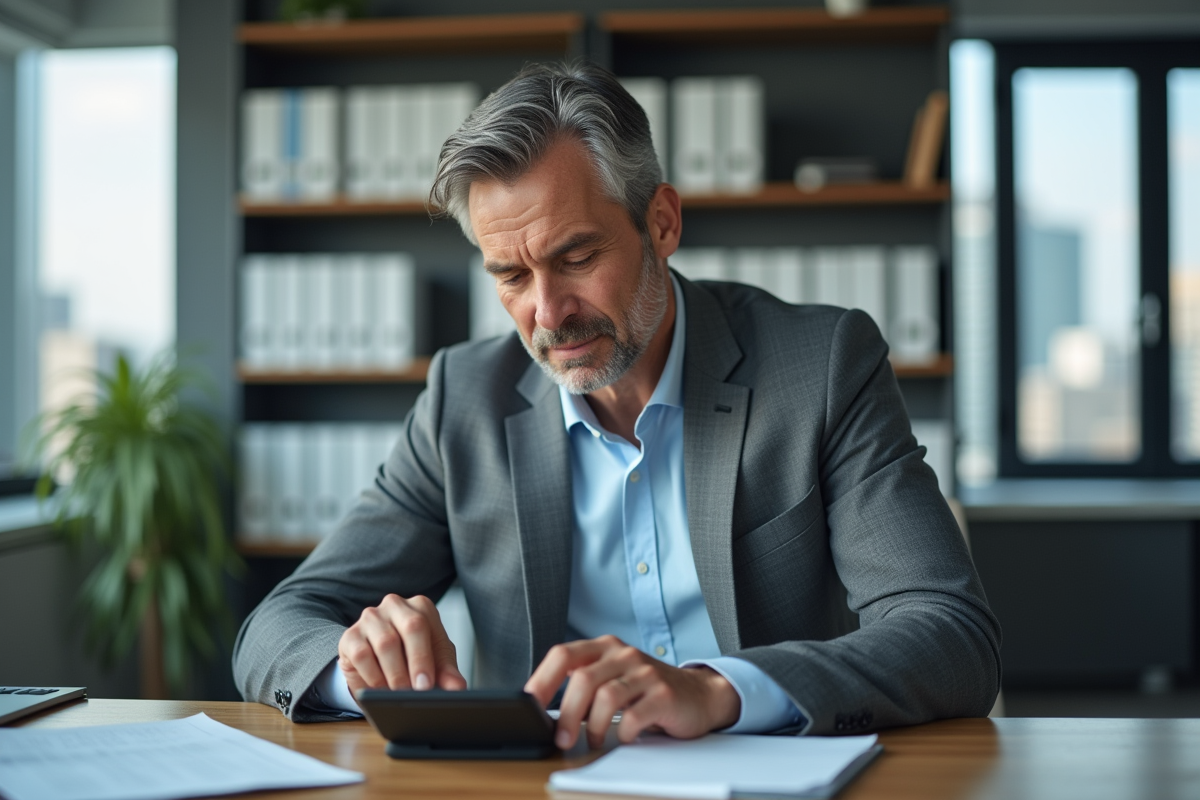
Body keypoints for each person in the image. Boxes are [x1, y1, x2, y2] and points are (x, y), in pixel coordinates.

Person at [233, 62, 1001, 747]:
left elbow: (950, 634)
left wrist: (717, 689)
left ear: (660, 223)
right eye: (510, 275)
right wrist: (358, 668)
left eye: (577, 258)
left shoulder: (823, 367)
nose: (548, 312)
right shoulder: (462, 401)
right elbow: (277, 625)